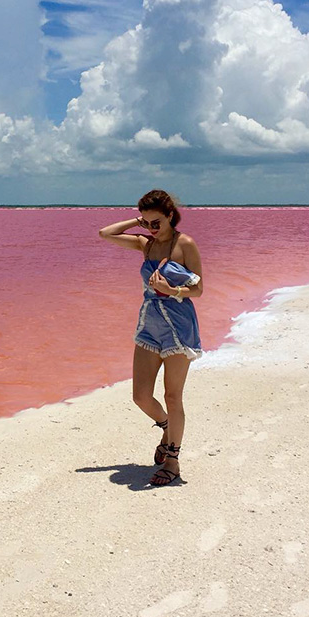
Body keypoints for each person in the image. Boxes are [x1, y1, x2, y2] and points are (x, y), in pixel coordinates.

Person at [98, 189, 203, 486]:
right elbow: (105, 233)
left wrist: (173, 291)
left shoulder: (185, 245)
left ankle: (173, 462)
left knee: (172, 396)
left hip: (180, 326)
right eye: (148, 223)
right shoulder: (146, 244)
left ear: (170, 216)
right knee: (141, 395)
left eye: (157, 222)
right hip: (150, 324)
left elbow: (199, 289)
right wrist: (138, 222)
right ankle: (167, 428)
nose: (152, 229)